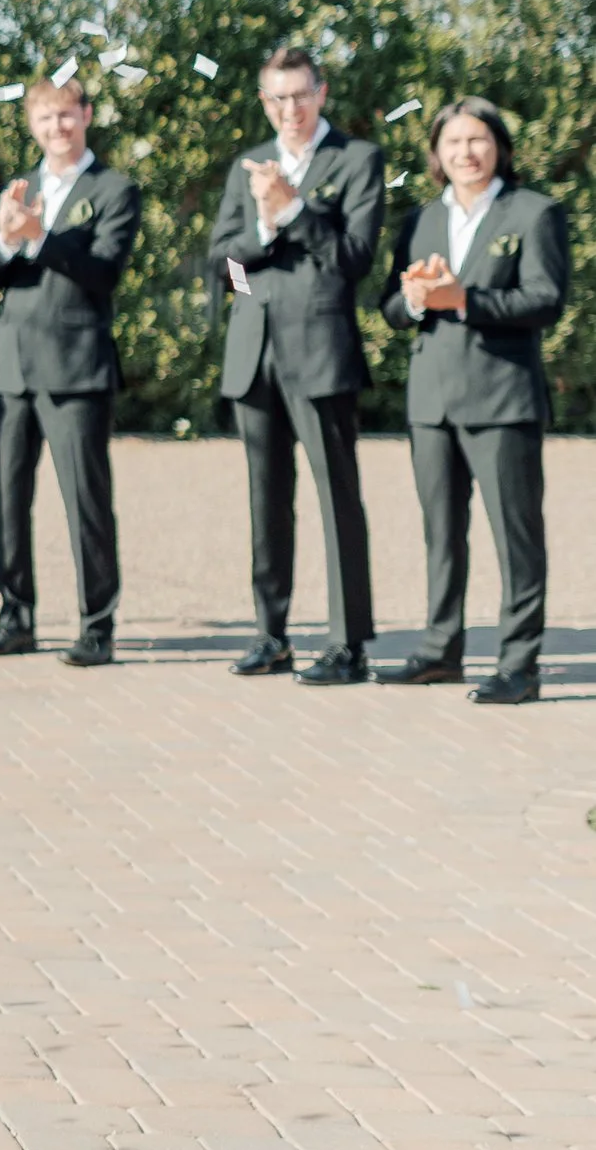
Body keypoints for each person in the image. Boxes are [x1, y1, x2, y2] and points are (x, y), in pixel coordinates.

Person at [378, 98, 568, 705]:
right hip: (431, 402)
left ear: (500, 147)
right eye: (453, 142)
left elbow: (546, 299)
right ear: (436, 154)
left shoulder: (533, 213)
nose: (466, 152)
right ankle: (440, 651)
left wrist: (464, 300)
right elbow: (390, 306)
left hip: (503, 400)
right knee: (441, 534)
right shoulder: (419, 220)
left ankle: (519, 664)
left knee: (516, 537)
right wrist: (413, 300)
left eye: (477, 139)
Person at [207, 43, 385, 683]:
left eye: (301, 95)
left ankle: (348, 645)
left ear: (322, 93)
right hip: (254, 353)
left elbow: (355, 258)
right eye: (278, 98)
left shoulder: (357, 159)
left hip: (321, 352)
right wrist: (259, 237)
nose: (290, 109)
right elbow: (224, 266)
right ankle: (271, 634)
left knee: (338, 497)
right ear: (265, 102)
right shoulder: (246, 168)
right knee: (266, 501)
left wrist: (293, 212)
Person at [0, 77, 139, 669]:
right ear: (32, 124)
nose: (57, 128)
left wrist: (42, 237)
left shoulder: (114, 189)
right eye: (45, 119)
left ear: (86, 115)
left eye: (66, 116)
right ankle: (15, 615)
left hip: (76, 367)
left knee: (86, 500)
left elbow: (102, 272)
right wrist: (8, 239)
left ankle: (98, 624)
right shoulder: (21, 187)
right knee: (10, 499)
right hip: (13, 364)